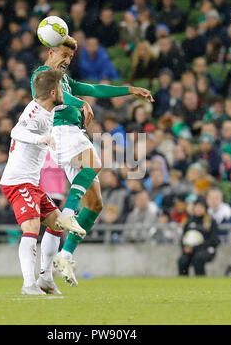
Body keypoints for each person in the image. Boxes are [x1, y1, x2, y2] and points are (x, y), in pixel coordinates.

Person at [31, 36, 154, 287]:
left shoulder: (65, 79)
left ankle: (65, 256)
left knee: (95, 204)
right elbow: (56, 95)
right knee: (94, 161)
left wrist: (130, 90)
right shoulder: (44, 72)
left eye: (70, 58)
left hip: (73, 135)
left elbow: (96, 89)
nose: (66, 61)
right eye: (63, 55)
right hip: (62, 131)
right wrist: (81, 104)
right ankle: (67, 213)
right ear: (51, 52)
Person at [0, 69, 86, 295]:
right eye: (60, 88)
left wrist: (83, 104)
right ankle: (28, 284)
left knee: (57, 223)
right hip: (18, 181)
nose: (63, 92)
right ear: (52, 91)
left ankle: (45, 278)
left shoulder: (50, 107)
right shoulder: (34, 111)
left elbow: (68, 99)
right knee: (31, 227)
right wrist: (41, 138)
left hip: (31, 182)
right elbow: (15, 130)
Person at [178, 196, 220, 276]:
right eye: (197, 206)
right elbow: (183, 237)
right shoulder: (189, 221)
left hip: (205, 249)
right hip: (189, 250)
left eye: (201, 207)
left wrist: (196, 247)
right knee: (182, 260)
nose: (198, 209)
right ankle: (182, 283)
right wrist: (184, 247)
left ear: (205, 209)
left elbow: (214, 240)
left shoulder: (210, 221)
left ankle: (201, 282)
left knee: (198, 258)